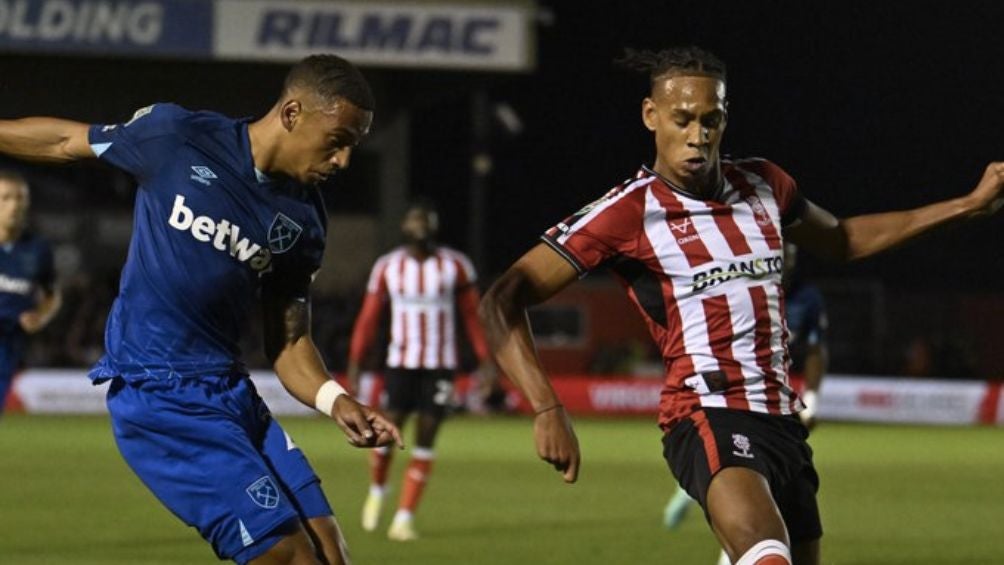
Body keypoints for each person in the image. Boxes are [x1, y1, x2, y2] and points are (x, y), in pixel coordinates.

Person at [479, 45, 1004, 565]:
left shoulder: (763, 184)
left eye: (712, 120)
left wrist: (966, 206)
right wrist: (547, 407)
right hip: (706, 413)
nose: (698, 135)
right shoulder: (629, 213)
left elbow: (843, 239)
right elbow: (502, 299)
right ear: (650, 115)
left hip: (782, 421)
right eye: (682, 119)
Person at [0, 54, 403, 565]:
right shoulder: (175, 138)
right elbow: (65, 141)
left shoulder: (303, 221)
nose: (343, 161)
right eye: (337, 141)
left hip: (232, 393)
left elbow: (290, 340)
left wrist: (337, 401)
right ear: (293, 112)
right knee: (291, 557)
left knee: (329, 554)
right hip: (160, 396)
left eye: (353, 146)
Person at [346, 198, 493, 541]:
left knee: (426, 437)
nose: (420, 225)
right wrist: (355, 362)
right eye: (414, 220)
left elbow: (473, 318)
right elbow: (368, 319)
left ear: (434, 226)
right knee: (386, 433)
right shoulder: (387, 267)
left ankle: (404, 518)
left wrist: (485, 361)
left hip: (440, 366)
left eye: (425, 219)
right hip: (401, 364)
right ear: (404, 227)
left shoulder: (456, 266)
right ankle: (378, 491)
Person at [0, 170, 62, 414]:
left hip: (9, 344)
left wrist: (40, 317)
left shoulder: (38, 250)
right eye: (5, 198)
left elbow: (52, 294)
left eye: (19, 198)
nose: (14, 206)